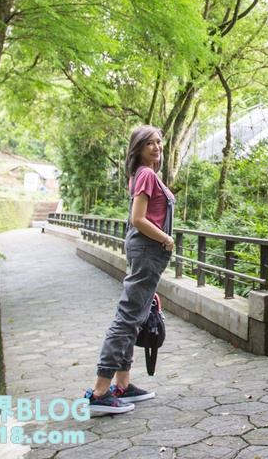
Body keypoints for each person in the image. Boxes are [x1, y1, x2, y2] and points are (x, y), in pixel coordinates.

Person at [85, 125, 176, 415]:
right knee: (127, 318)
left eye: (159, 142)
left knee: (134, 315)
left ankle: (122, 384)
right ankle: (101, 390)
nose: (156, 147)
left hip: (145, 252)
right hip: (148, 249)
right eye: (148, 143)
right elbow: (138, 219)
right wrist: (166, 238)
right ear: (137, 149)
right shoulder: (146, 174)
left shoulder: (142, 175)